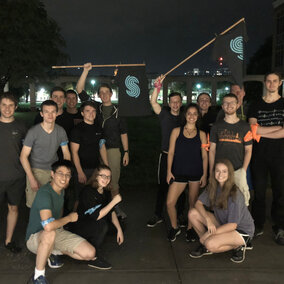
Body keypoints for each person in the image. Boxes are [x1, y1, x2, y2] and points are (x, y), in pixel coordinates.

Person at [26, 160, 110, 284]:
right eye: (60, 173)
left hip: (55, 232)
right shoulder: (45, 193)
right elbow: (48, 226)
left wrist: (63, 229)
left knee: (89, 253)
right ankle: (37, 276)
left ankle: (51, 252)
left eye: (68, 175)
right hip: (35, 238)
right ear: (52, 174)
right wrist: (70, 218)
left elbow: (57, 215)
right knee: (50, 234)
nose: (64, 178)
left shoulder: (61, 191)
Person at [77, 63, 129, 218]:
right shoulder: (95, 107)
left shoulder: (119, 111)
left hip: (112, 149)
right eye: (101, 92)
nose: (104, 94)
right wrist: (86, 71)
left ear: (111, 94)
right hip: (95, 149)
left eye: (107, 92)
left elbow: (124, 133)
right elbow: (79, 90)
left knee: (112, 181)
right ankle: (96, 207)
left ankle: (115, 208)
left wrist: (126, 151)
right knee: (95, 180)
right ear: (98, 95)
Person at [188, 159, 254, 263]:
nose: (220, 174)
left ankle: (238, 246)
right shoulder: (213, 187)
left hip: (241, 230)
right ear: (214, 172)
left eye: (224, 171)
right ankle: (205, 244)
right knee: (193, 213)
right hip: (224, 223)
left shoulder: (235, 194)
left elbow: (233, 225)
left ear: (230, 174)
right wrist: (208, 220)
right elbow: (198, 204)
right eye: (217, 171)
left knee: (210, 243)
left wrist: (209, 234)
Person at [248, 72, 284, 244]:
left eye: (274, 81)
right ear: (265, 83)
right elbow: (254, 129)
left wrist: (262, 131)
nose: (271, 84)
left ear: (280, 83)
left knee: (280, 193)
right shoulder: (256, 104)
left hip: (280, 156)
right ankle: (258, 224)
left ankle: (280, 227)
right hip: (259, 156)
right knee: (259, 193)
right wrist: (277, 127)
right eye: (268, 81)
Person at [166, 103, 208, 242]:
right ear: (185, 115)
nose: (191, 116)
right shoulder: (176, 131)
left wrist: (204, 174)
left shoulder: (202, 134)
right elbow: (171, 152)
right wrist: (168, 171)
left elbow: (204, 156)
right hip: (179, 172)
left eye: (194, 114)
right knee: (170, 202)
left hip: (196, 173)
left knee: (192, 203)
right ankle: (174, 227)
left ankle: (190, 229)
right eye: (189, 113)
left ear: (198, 116)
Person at [69, 165, 123, 267]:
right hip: (81, 224)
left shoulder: (106, 192)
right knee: (102, 225)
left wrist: (119, 229)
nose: (106, 179)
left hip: (94, 222)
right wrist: (114, 202)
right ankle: (94, 256)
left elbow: (111, 212)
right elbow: (96, 216)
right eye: (103, 176)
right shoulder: (87, 191)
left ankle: (90, 240)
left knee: (118, 225)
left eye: (108, 177)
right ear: (96, 176)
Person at [20, 100, 71, 208]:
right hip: (36, 170)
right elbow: (23, 156)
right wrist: (32, 179)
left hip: (54, 171)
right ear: (41, 114)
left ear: (57, 113)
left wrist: (66, 174)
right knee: (35, 206)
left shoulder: (60, 131)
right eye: (46, 112)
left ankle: (56, 225)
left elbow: (66, 153)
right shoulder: (33, 132)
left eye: (53, 112)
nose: (50, 115)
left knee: (55, 203)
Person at [209, 93, 253, 206]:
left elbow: (248, 150)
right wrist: (211, 170)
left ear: (238, 105)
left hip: (238, 170)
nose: (229, 105)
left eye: (232, 102)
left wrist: (243, 170)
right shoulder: (216, 126)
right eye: (226, 103)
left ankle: (241, 223)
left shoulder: (245, 126)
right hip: (220, 171)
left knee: (242, 202)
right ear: (222, 106)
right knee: (219, 201)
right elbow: (212, 150)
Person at [0, 92, 27, 253]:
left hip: (16, 177)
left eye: (11, 105)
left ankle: (9, 241)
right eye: (4, 104)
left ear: (16, 107)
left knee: (13, 209)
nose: (7, 108)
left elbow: (28, 151)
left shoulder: (22, 127)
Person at [70, 101, 108, 210]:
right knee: (80, 197)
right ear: (82, 113)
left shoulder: (98, 128)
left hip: (96, 169)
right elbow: (74, 152)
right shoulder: (77, 130)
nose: (91, 114)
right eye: (87, 111)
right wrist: (80, 172)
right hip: (82, 169)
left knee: (95, 196)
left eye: (93, 111)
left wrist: (106, 166)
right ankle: (76, 222)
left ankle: (92, 221)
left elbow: (102, 147)